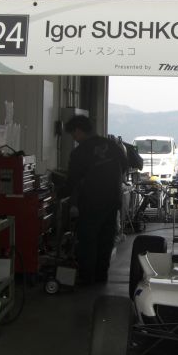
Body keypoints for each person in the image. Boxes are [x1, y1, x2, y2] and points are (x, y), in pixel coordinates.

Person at [62, 115, 127, 285]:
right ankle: (101, 276)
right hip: (112, 199)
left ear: (78, 130)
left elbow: (72, 180)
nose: (74, 139)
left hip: (91, 201)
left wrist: (60, 194)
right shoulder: (112, 145)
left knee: (88, 239)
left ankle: (87, 277)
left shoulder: (79, 152)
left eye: (73, 135)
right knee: (106, 238)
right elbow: (126, 164)